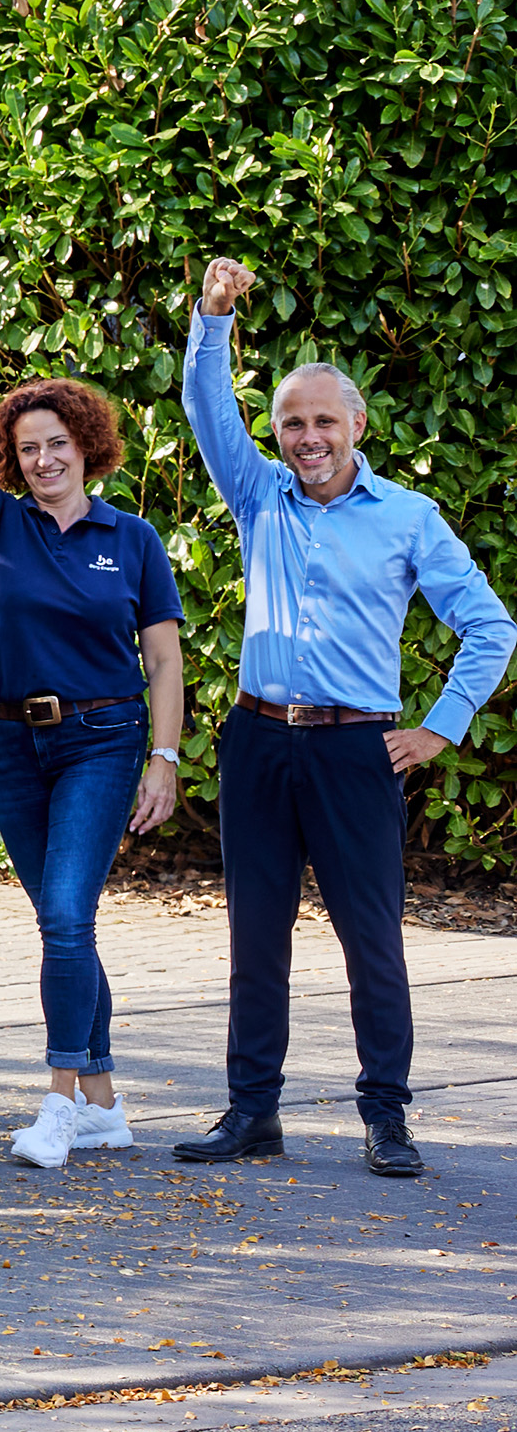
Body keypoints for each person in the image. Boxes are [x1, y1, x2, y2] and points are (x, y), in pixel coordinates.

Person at [173, 258, 511, 1179]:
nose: (308, 436)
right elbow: (208, 410)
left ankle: (387, 1117)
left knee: (372, 938)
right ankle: (253, 1113)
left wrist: (440, 726)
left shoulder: (408, 517)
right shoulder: (259, 497)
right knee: (255, 933)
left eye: (325, 420)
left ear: (358, 426)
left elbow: (489, 624)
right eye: (292, 422)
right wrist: (212, 321)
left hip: (360, 746)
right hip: (257, 740)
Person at [0, 332, 183, 1171]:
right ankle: (107, 1108)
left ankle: (56, 1104)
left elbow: (163, 659)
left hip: (104, 738)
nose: (44, 459)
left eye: (57, 444)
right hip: (10, 738)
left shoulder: (135, 538)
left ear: (87, 448)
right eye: (28, 448)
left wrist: (165, 757)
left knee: (64, 918)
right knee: (65, 927)